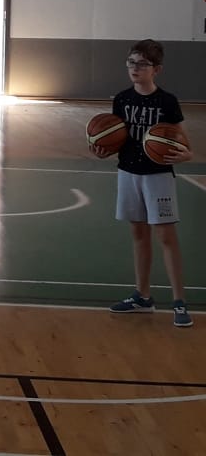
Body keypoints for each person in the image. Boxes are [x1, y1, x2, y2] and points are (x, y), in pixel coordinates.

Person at [91, 39, 193, 327]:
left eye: (142, 64)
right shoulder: (122, 99)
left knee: (166, 237)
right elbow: (114, 137)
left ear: (156, 69)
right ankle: (142, 297)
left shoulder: (167, 102)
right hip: (127, 173)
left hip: (158, 176)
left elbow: (183, 142)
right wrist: (102, 149)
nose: (135, 68)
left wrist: (188, 155)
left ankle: (179, 302)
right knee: (138, 235)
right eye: (131, 63)